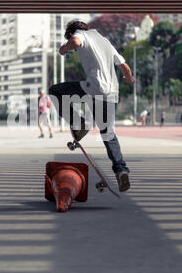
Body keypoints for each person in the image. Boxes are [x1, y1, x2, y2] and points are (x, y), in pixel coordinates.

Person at [49, 20, 135, 192]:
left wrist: (64, 48)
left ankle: (80, 124)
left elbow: (75, 41)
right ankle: (121, 171)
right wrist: (129, 78)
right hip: (111, 93)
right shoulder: (105, 41)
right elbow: (124, 66)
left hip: (94, 87)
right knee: (108, 133)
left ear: (71, 33)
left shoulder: (81, 35)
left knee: (55, 91)